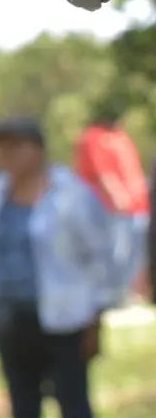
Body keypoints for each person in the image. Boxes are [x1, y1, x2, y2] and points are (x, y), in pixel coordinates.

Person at [0, 117, 120, 418]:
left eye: (16, 146)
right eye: (2, 148)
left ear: (38, 150)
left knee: (74, 408)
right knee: (23, 409)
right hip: (10, 318)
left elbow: (100, 259)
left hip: (62, 320)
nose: (7, 155)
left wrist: (96, 320)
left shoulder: (71, 196)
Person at [73, 112, 151, 301]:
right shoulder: (94, 137)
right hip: (112, 208)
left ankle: (128, 293)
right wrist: (116, 197)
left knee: (135, 254)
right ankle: (112, 295)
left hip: (137, 206)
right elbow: (102, 172)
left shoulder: (119, 137)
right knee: (116, 254)